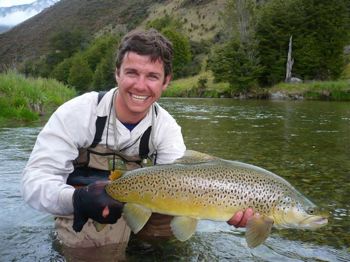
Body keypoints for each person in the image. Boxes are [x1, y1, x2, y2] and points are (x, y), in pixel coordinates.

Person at [21, 29, 253, 250]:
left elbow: (185, 186)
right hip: (87, 205)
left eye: (152, 76)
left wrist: (225, 207)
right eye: (132, 73)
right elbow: (33, 183)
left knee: (170, 230)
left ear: (166, 81)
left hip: (141, 202)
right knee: (96, 249)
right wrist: (77, 200)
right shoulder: (76, 114)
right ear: (117, 73)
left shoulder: (166, 128)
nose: (140, 85)